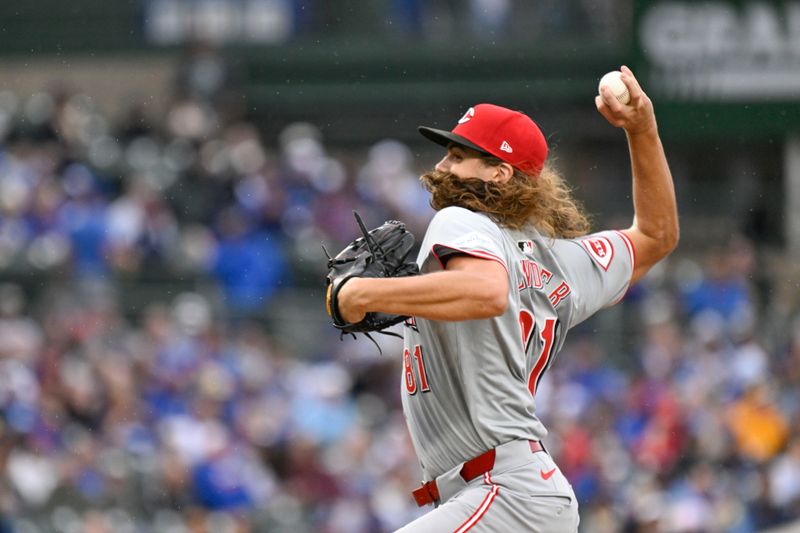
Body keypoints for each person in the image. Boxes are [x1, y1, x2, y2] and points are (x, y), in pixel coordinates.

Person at [335, 65, 678, 531]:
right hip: (517, 495)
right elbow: (657, 235)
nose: (441, 167)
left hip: (503, 494)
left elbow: (487, 290)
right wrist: (643, 130)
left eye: (458, 156)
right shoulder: (563, 263)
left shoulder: (462, 220)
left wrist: (361, 293)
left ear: (498, 174)